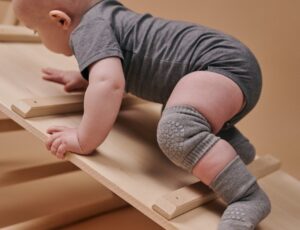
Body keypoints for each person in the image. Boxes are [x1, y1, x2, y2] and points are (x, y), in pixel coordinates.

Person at [12, 0, 271, 229]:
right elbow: (115, 63)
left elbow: (110, 83)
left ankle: (247, 196)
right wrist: (86, 75)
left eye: (36, 30)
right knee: (182, 108)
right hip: (229, 66)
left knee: (176, 129)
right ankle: (235, 150)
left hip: (221, 67)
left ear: (60, 20)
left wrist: (83, 139)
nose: (38, 37)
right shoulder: (104, 13)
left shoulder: (88, 28)